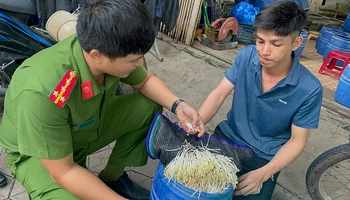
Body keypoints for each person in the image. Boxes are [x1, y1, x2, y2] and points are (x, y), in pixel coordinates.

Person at [0, 0, 205, 200]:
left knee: (148, 104)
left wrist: (179, 105)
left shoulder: (103, 47)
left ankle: (113, 178)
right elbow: (63, 171)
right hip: (40, 154)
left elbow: (145, 82)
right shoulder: (44, 92)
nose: (140, 64)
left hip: (82, 128)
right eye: (134, 60)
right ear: (98, 55)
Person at [198, 1, 323, 199]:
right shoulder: (246, 56)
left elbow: (297, 140)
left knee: (249, 193)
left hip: (265, 156)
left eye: (276, 44)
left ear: (296, 43)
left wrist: (264, 173)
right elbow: (219, 93)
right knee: (198, 187)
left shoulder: (309, 88)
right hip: (229, 137)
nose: (264, 51)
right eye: (260, 41)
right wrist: (196, 124)